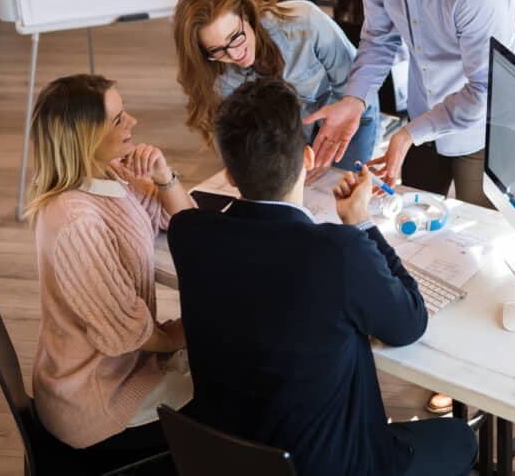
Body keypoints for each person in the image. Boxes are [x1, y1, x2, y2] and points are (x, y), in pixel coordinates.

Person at [167, 78, 478, 476]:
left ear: (228, 174)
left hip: (230, 456)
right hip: (335, 465)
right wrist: (362, 224)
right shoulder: (338, 252)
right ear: (309, 158)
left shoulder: (189, 234)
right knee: (460, 437)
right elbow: (409, 323)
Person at [305, 0, 515, 212]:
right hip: (420, 113)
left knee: (478, 231)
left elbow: (484, 92)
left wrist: (408, 134)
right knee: (412, 218)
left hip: (479, 127)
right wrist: (355, 99)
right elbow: (378, 38)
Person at [26, 74, 195, 470]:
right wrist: (196, 332)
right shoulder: (76, 223)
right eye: (118, 119)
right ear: (84, 137)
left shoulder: (108, 173)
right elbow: (128, 333)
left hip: (123, 366)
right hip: (98, 401)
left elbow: (184, 221)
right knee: (233, 393)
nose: (132, 122)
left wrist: (163, 175)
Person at [173, 0, 379, 169]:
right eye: (217, 50)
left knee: (343, 190)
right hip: (290, 132)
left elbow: (355, 85)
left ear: (245, 14)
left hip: (349, 114)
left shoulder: (304, 23)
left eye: (236, 36)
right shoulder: (216, 72)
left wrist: (324, 145)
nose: (235, 54)